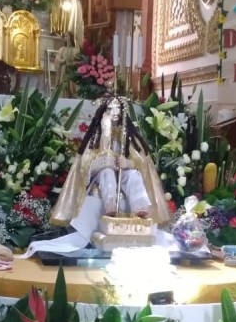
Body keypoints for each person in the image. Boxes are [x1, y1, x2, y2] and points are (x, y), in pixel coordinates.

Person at [50, 95, 170, 226]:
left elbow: (141, 161)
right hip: (101, 175)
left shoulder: (127, 136)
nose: (114, 113)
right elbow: (85, 164)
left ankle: (139, 209)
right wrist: (106, 136)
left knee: (133, 176)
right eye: (110, 110)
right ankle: (110, 206)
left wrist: (129, 163)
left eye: (117, 109)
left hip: (122, 173)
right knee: (108, 173)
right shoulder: (96, 137)